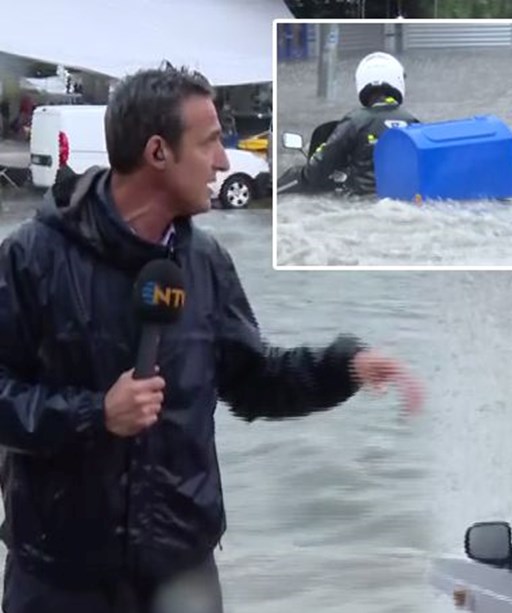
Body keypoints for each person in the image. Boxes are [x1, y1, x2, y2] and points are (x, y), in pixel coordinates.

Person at [0, 63, 425, 613]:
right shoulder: (33, 258)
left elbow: (254, 381)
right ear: (158, 153)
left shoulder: (204, 263)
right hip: (60, 578)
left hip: (181, 575)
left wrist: (343, 367)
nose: (223, 161)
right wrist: (94, 414)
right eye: (208, 143)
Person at [277, 51, 420, 196]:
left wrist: (306, 170)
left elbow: (318, 169)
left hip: (361, 203)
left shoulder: (355, 120)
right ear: (398, 79)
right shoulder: (413, 122)